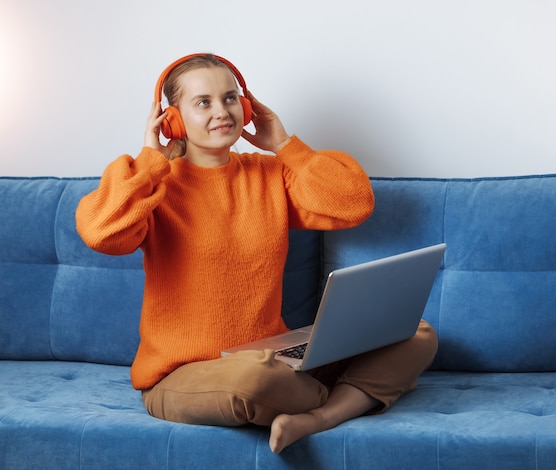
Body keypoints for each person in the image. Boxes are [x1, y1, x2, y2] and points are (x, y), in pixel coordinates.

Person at [76, 53, 438, 454]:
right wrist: (150, 163)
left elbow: (353, 203)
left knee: (414, 333)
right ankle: (349, 395)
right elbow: (100, 232)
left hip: (272, 356)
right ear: (172, 120)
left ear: (247, 107)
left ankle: (318, 417)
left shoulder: (270, 174)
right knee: (253, 381)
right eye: (203, 102)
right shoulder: (153, 187)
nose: (222, 111)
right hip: (185, 376)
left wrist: (285, 145)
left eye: (231, 98)